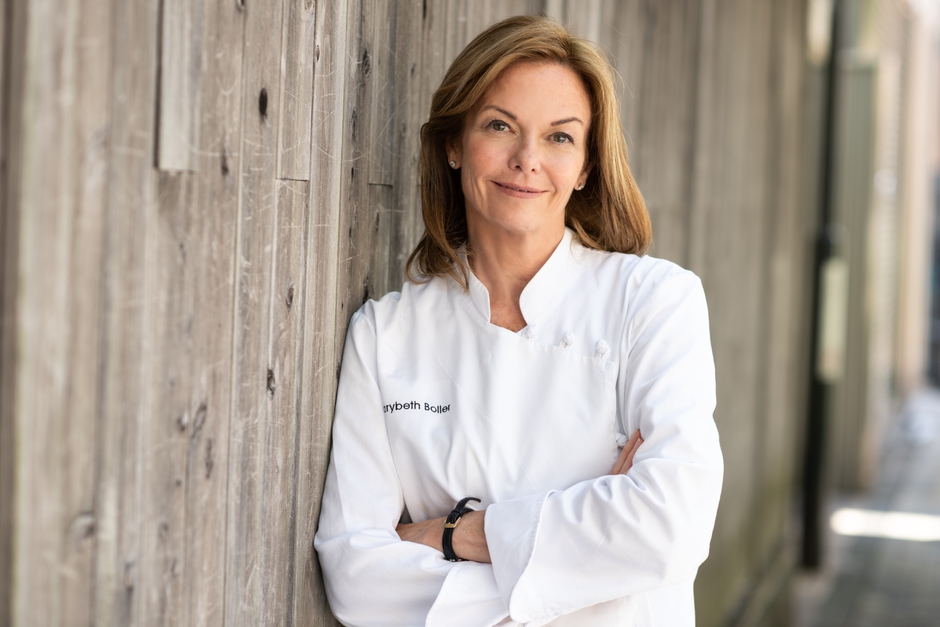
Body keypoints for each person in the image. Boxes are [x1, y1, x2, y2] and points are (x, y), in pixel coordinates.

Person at [314, 14, 723, 627]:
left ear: (586, 166)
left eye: (560, 137)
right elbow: (357, 579)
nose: (527, 159)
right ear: (454, 145)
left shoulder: (653, 302)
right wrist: (597, 575)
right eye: (500, 126)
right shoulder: (384, 336)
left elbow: (671, 527)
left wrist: (455, 533)